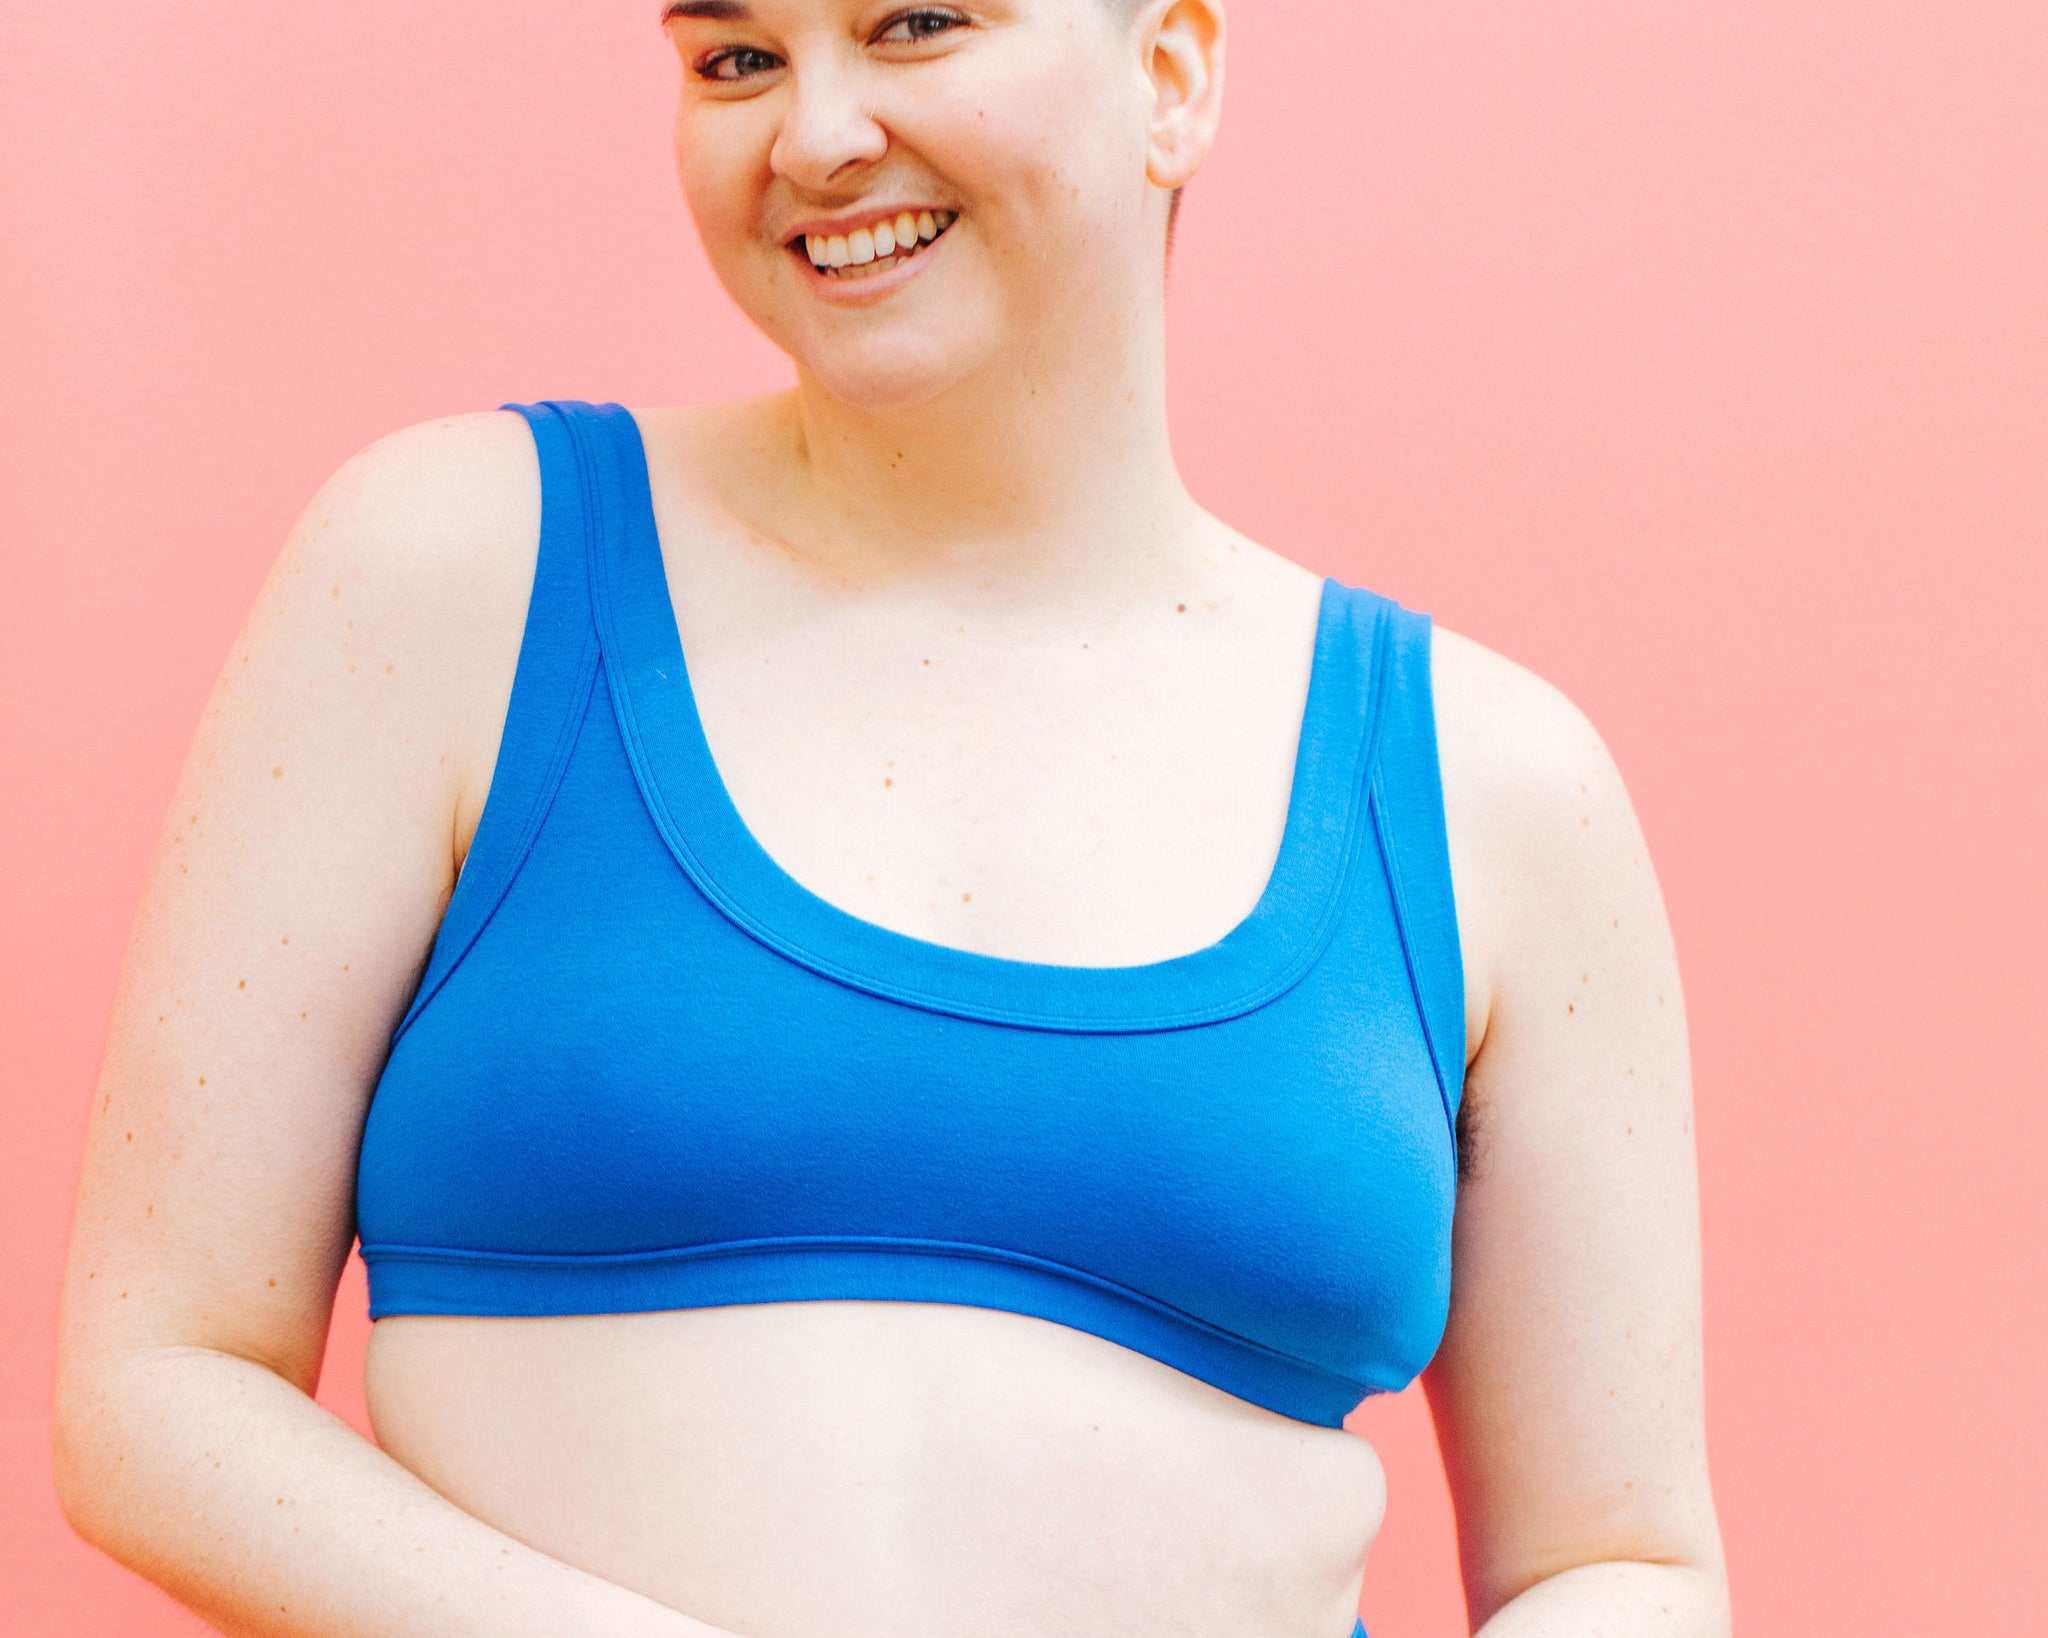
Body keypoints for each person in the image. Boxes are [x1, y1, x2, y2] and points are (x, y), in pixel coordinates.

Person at [51, 2, 1730, 1635]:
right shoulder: (450, 573)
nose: (817, 133)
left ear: (1172, 75)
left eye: (920, 24)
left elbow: (1622, 1559)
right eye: (736, 58)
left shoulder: (1495, 787)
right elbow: (155, 1385)